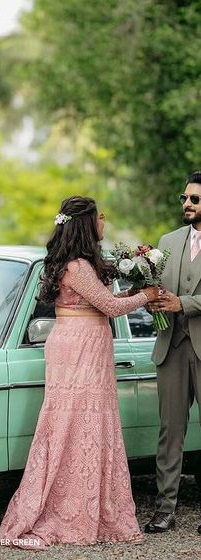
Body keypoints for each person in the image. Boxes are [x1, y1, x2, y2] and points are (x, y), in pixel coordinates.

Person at [0, 196, 160, 550]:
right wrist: (148, 294)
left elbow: (103, 301)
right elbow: (111, 307)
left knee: (85, 422)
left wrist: (136, 288)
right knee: (78, 423)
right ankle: (73, 509)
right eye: (98, 218)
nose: (103, 221)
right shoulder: (78, 266)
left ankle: (92, 504)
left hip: (83, 342)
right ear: (85, 225)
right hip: (80, 345)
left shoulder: (79, 264)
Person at [144, 172, 201, 534]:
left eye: (194, 199)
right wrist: (154, 303)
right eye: (184, 198)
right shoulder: (168, 240)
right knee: (170, 433)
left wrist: (185, 303)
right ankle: (165, 509)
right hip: (172, 348)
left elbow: (183, 299)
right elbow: (156, 290)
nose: (187, 205)